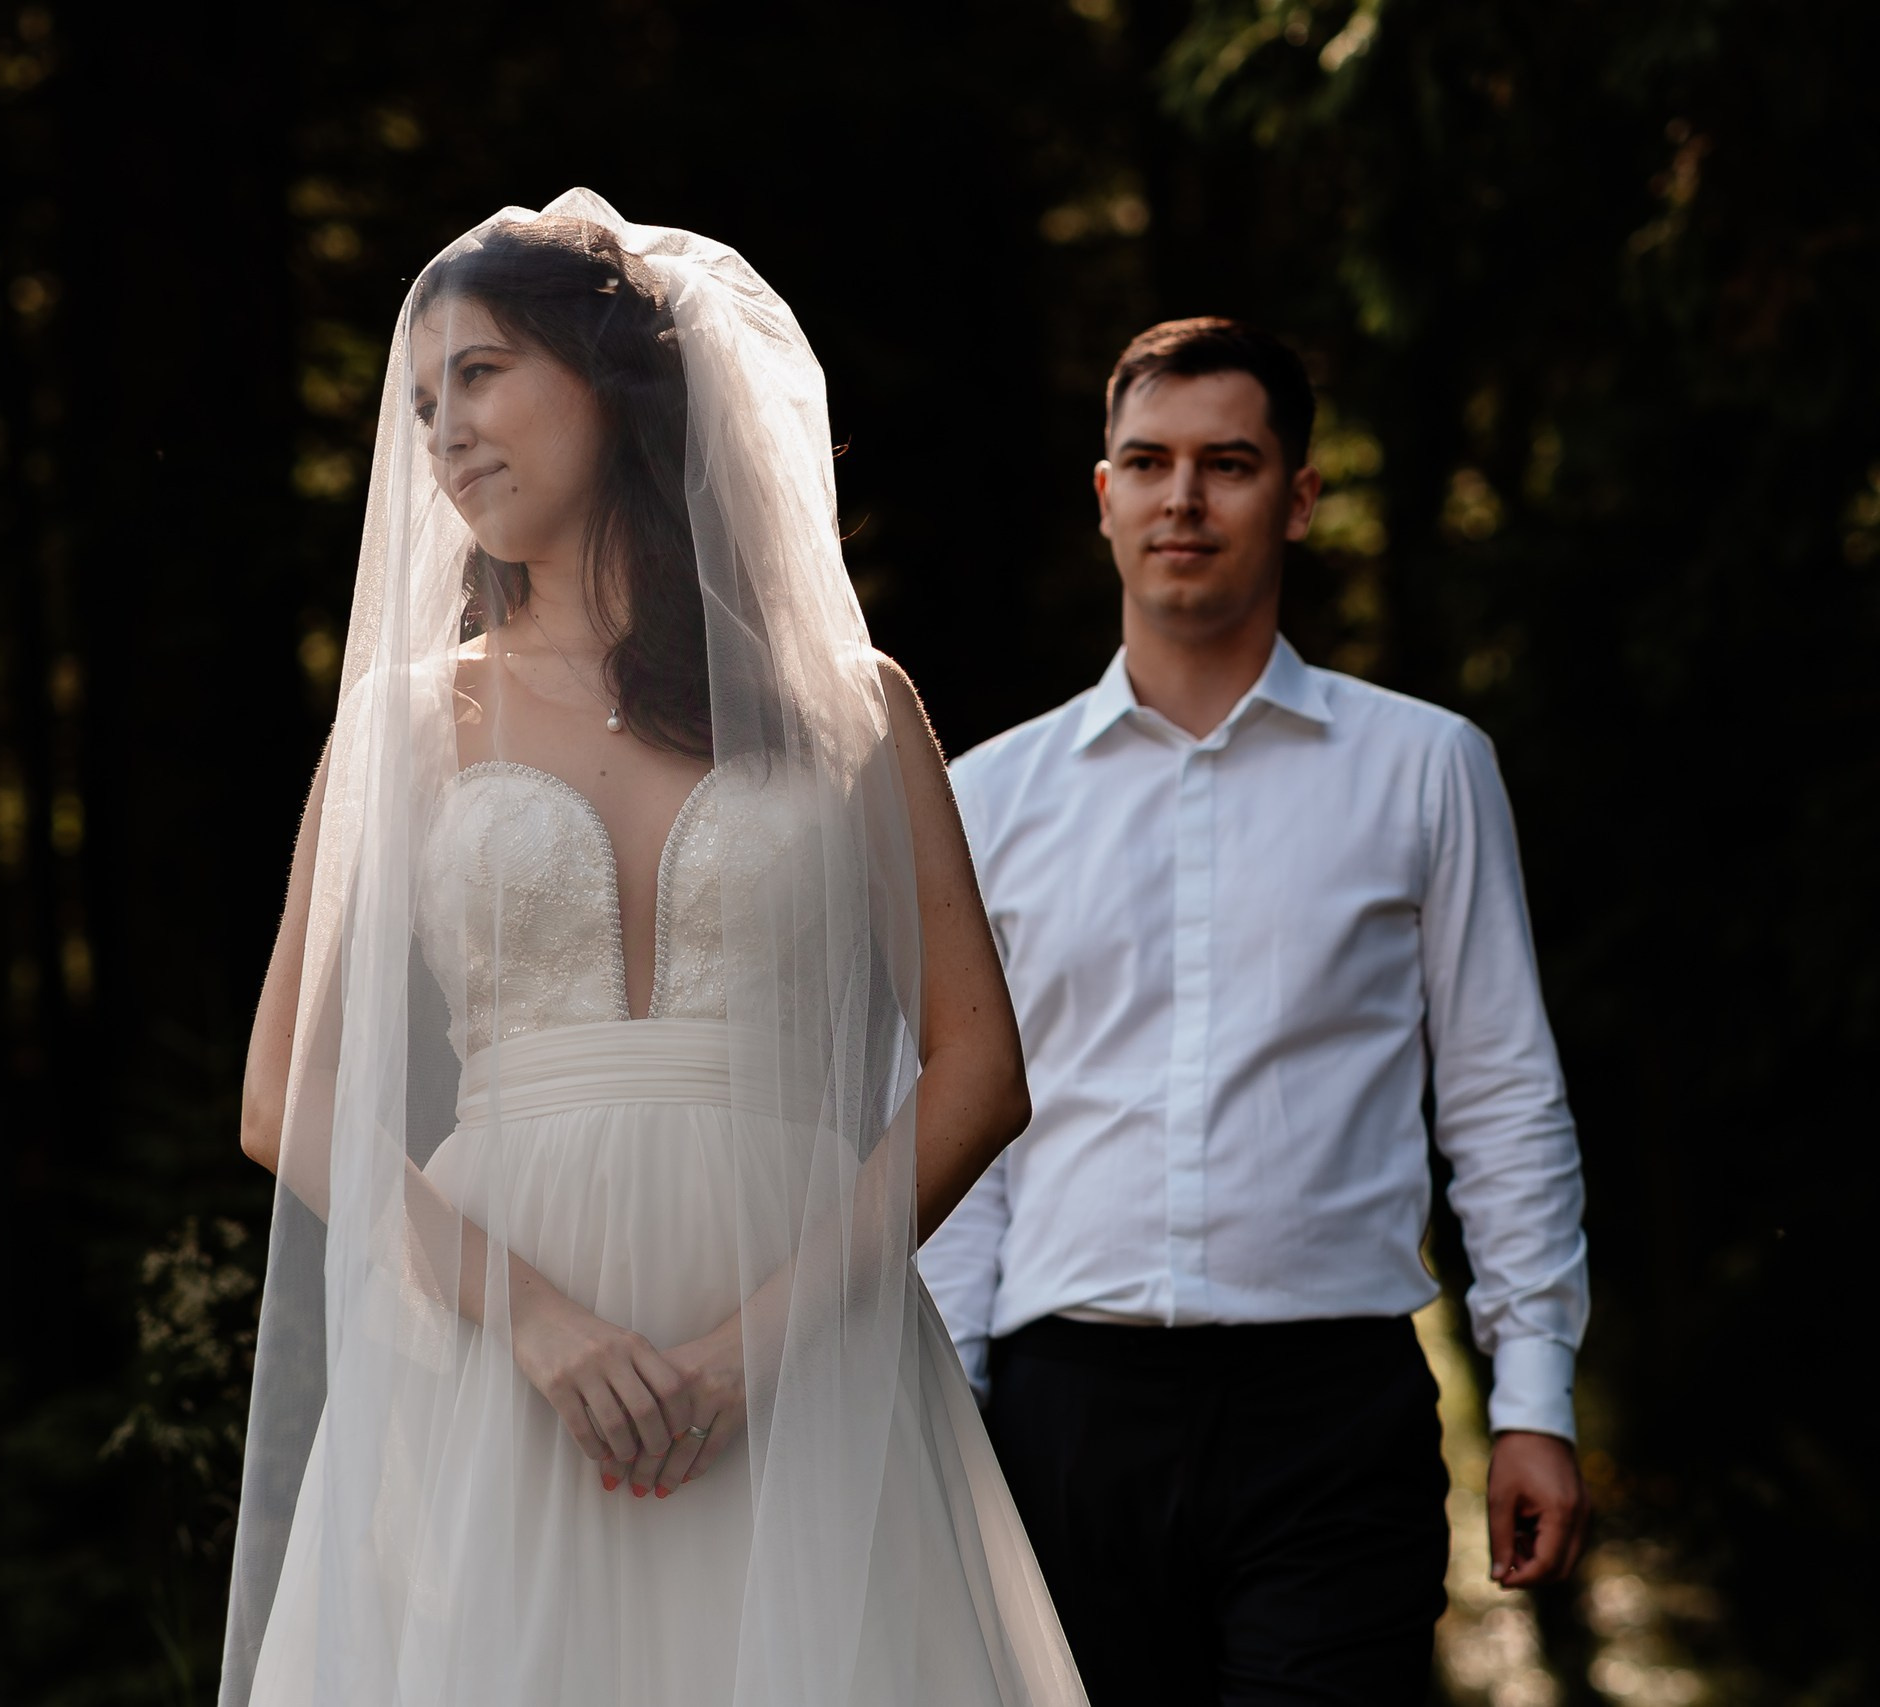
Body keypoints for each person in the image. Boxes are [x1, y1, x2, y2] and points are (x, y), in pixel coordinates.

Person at [219, 191, 1087, 1707]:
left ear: (611, 382)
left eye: (478, 374)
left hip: (805, 1341)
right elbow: (285, 1095)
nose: (442, 433)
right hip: (498, 1361)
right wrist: (536, 1320)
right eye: (423, 402)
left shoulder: (848, 705)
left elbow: (978, 1067)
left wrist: (762, 1344)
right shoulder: (410, 722)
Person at [919, 318, 1593, 1704]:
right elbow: (958, 1123)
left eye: (1228, 463)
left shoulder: (1425, 771)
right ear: (1103, 496)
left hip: (1331, 1415)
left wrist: (1532, 1396)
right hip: (1065, 1417)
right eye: (1148, 463)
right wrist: (945, 1400)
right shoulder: (985, 798)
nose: (1184, 499)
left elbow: (1501, 1096)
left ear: (1295, 497)